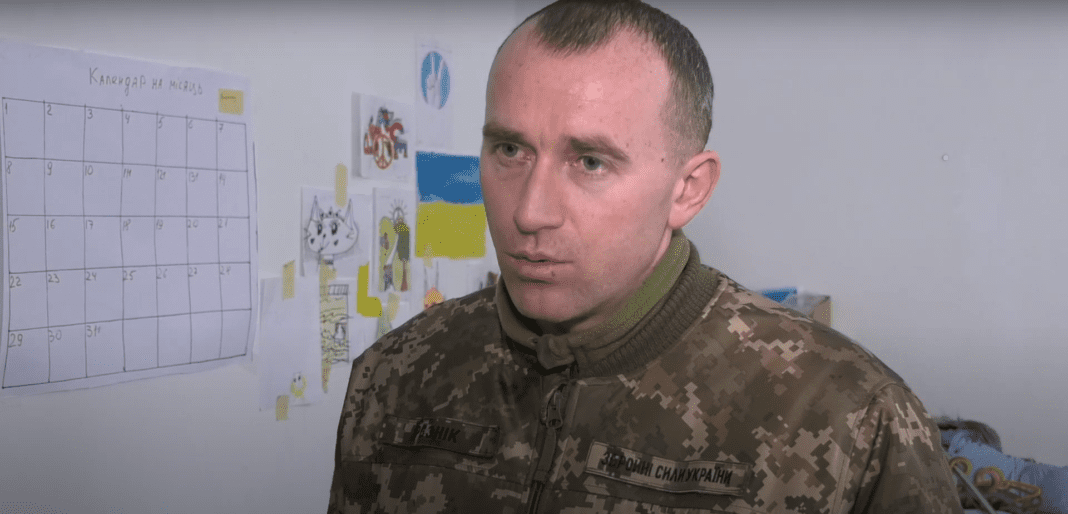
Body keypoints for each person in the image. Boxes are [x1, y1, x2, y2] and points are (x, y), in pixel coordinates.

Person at [329, 1, 963, 512]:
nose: (530, 211)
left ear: (688, 190)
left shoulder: (851, 416)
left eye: (590, 161)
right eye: (510, 151)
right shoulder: (395, 375)